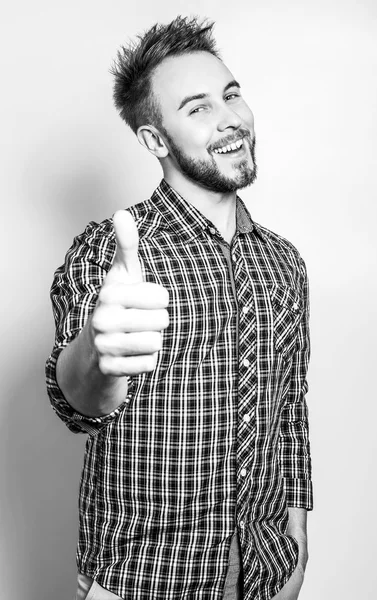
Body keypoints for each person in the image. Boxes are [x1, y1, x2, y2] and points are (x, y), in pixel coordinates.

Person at [46, 16, 313, 600]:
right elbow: (76, 400)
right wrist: (99, 355)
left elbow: (289, 411)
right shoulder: (110, 251)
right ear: (154, 139)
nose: (230, 119)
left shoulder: (285, 263)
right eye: (197, 108)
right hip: (141, 581)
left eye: (232, 95)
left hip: (264, 578)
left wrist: (295, 539)